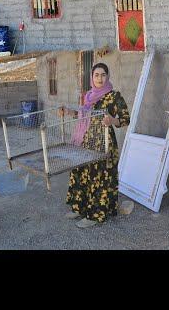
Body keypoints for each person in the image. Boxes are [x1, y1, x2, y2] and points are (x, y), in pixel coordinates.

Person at [65, 63, 130, 228]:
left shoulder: (114, 96)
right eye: (96, 75)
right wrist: (68, 113)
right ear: (92, 77)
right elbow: (83, 116)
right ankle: (79, 208)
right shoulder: (88, 96)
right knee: (80, 172)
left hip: (104, 144)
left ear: (107, 77)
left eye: (103, 75)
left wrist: (111, 120)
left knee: (98, 177)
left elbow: (125, 119)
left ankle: (95, 215)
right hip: (85, 142)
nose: (100, 78)